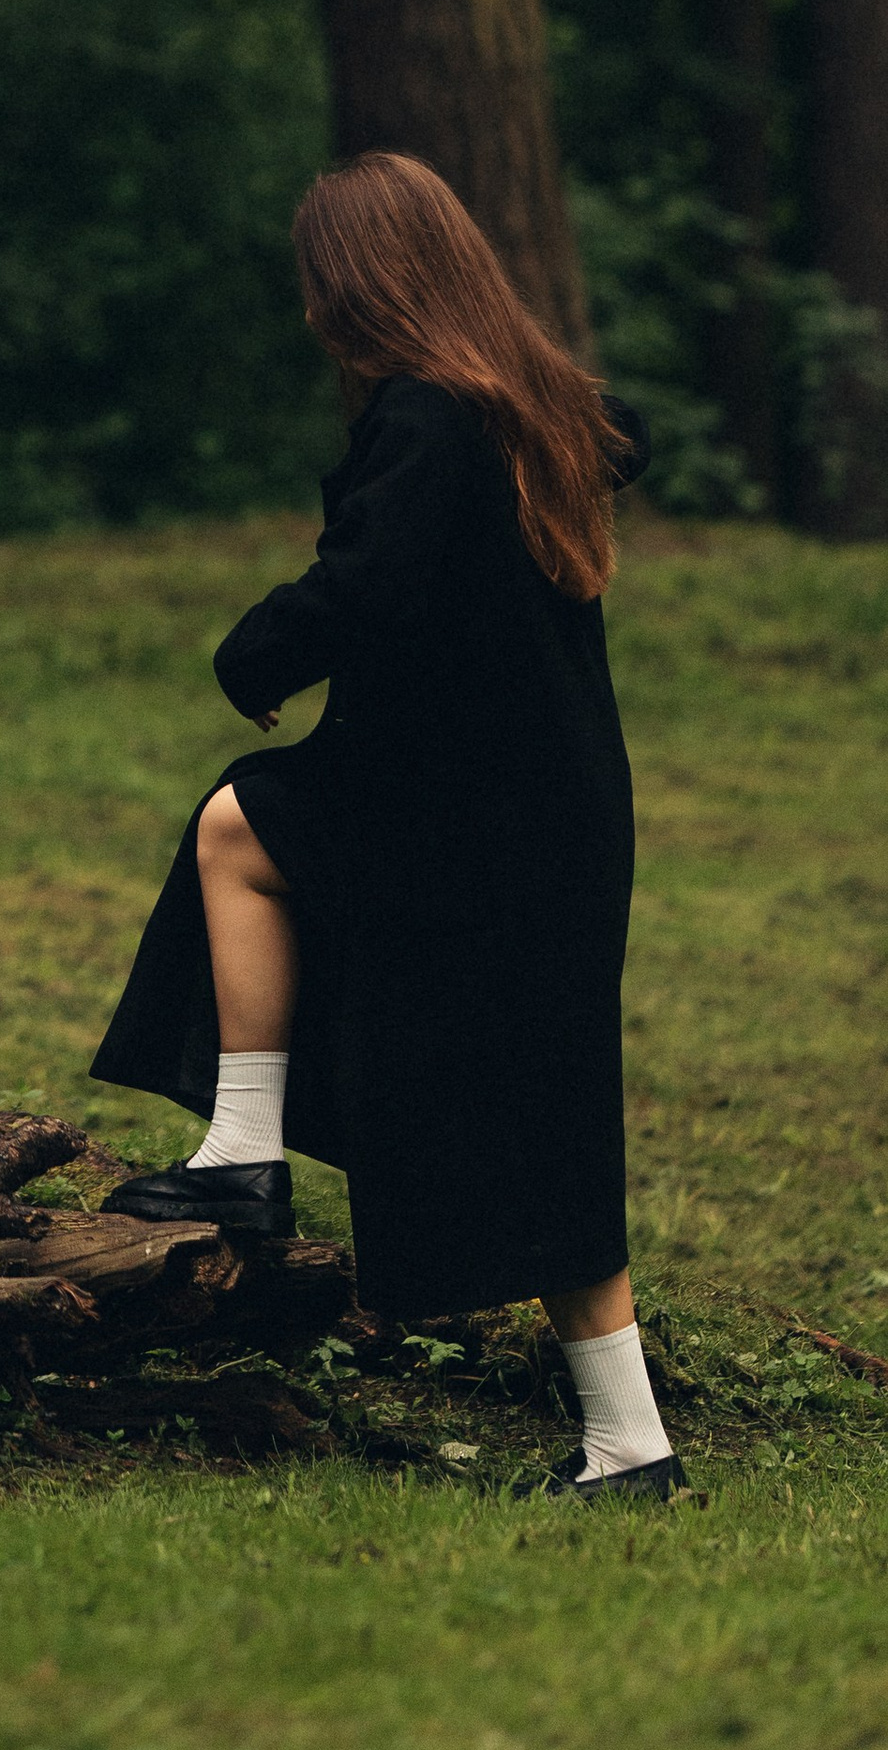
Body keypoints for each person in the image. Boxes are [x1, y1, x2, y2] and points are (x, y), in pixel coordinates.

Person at [88, 150, 682, 1501]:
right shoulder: (530, 407)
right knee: (546, 1111)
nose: (313, 311)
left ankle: (245, 1155)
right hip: (549, 816)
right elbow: (627, 434)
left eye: (322, 284)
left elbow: (367, 582)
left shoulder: (429, 415)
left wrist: (254, 650)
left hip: (471, 822)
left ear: (362, 286)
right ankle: (630, 1445)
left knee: (241, 824)